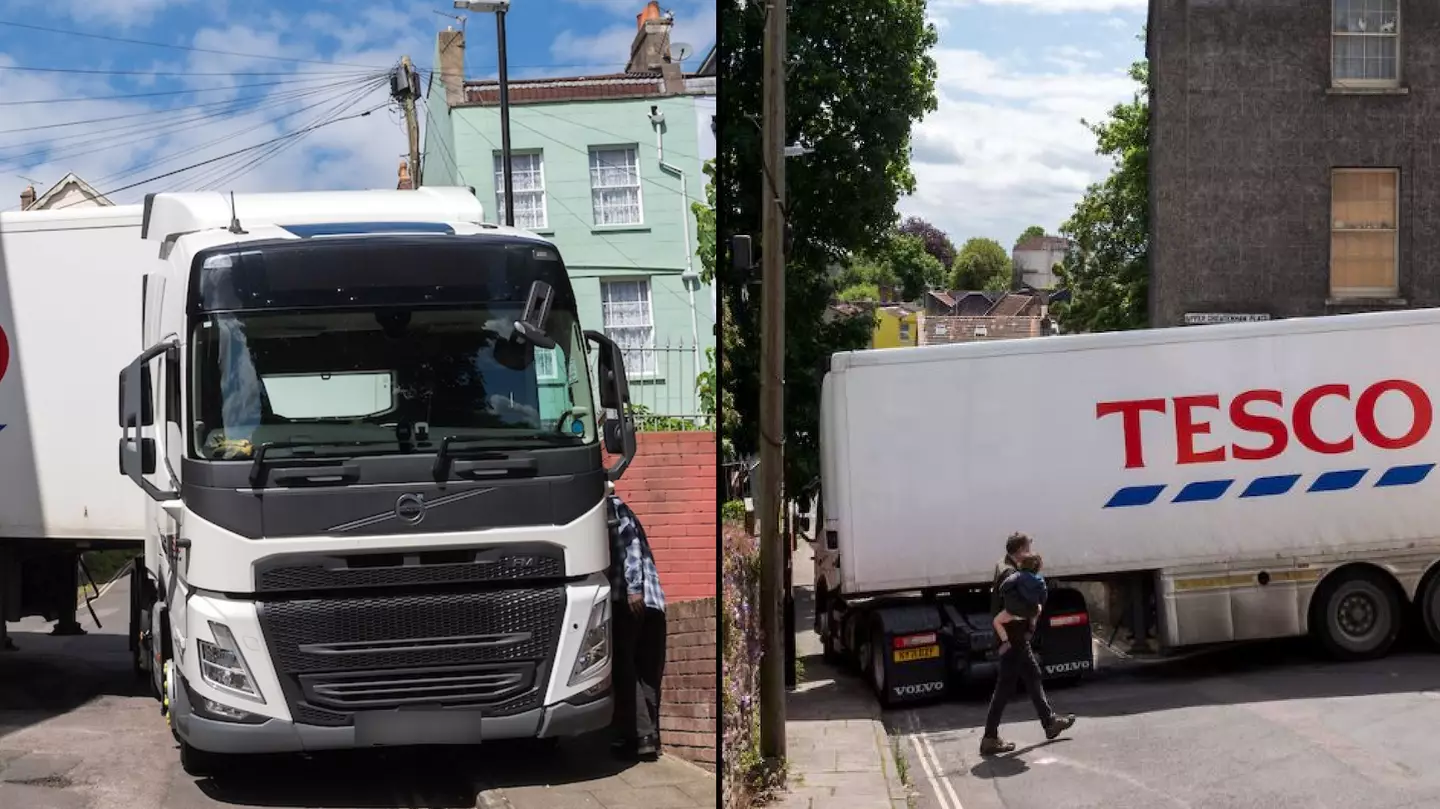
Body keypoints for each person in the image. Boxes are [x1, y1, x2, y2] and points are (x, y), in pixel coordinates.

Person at [980, 533, 1075, 756]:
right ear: (1021, 550)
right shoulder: (1010, 572)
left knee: (1031, 676)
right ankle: (990, 738)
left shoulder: (1005, 565)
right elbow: (1014, 607)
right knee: (1006, 686)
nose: (1031, 552)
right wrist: (1035, 610)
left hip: (1014, 637)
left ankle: (1049, 723)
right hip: (1013, 638)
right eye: (1029, 548)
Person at [607, 492, 667, 761]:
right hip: (655, 603)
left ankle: (640, 735)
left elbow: (629, 546)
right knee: (647, 671)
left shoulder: (613, 508)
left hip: (631, 600)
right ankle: (650, 738)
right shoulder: (624, 508)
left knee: (624, 667)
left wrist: (633, 589)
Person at [992, 553, 1046, 656]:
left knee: (997, 621)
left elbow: (1004, 586)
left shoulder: (1018, 575)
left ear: (1022, 564)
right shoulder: (1040, 579)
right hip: (1030, 611)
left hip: (1014, 612)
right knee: (1038, 608)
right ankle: (1031, 628)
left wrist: (1004, 594)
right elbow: (1043, 596)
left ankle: (1005, 641)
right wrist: (1039, 605)